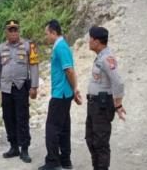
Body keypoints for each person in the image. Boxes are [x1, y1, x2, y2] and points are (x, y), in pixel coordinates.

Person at [0, 20, 39, 163]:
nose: (13, 33)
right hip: (6, 89)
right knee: (8, 118)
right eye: (10, 30)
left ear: (19, 31)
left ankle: (24, 149)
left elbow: (34, 66)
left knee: (22, 117)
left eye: (15, 30)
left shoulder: (29, 46)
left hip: (21, 87)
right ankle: (13, 146)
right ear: (6, 32)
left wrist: (34, 87)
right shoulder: (0, 48)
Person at [39, 20, 82, 170]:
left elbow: (69, 70)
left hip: (60, 94)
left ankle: (53, 161)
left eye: (47, 34)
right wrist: (73, 90)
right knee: (64, 127)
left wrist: (74, 89)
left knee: (52, 128)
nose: (46, 37)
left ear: (53, 32)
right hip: (64, 93)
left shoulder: (61, 47)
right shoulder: (60, 46)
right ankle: (65, 160)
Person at [85, 26, 126, 170]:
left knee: (101, 143)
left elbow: (118, 82)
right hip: (93, 104)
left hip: (101, 106)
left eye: (90, 38)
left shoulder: (107, 58)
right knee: (90, 139)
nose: (88, 41)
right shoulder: (100, 57)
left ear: (97, 41)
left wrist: (118, 105)